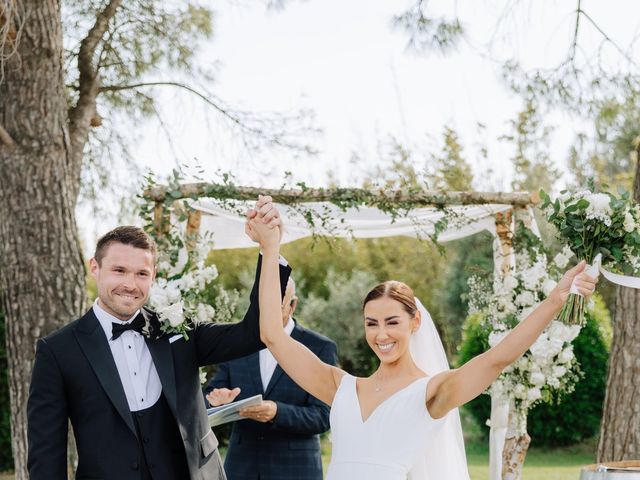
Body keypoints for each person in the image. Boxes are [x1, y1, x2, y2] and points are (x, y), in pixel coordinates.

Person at [246, 207, 598, 480]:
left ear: (414, 322)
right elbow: (272, 335)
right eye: (372, 323)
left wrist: (555, 300)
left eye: (391, 322)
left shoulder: (433, 391)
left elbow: (497, 358)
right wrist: (270, 248)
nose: (381, 334)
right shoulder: (341, 388)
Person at [27, 196, 290, 480]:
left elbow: (254, 334)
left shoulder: (178, 330)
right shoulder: (58, 351)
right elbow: (46, 455)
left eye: (141, 273)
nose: (130, 284)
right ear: (95, 267)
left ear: (153, 276)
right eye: (119, 271)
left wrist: (270, 248)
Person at [204, 277, 337, 480]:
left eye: (276, 305)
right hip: (242, 468)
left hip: (296, 471)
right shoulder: (236, 342)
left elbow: (323, 416)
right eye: (262, 303)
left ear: (293, 305)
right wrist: (218, 400)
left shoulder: (319, 348)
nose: (266, 311)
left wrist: (277, 412)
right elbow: (208, 398)